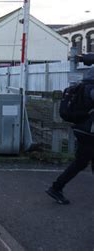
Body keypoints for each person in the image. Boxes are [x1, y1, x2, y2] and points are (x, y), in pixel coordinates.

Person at [46, 68, 94, 204]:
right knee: (80, 163)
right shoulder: (91, 89)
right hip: (89, 131)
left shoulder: (81, 87)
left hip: (82, 129)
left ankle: (56, 187)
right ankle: (56, 187)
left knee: (82, 161)